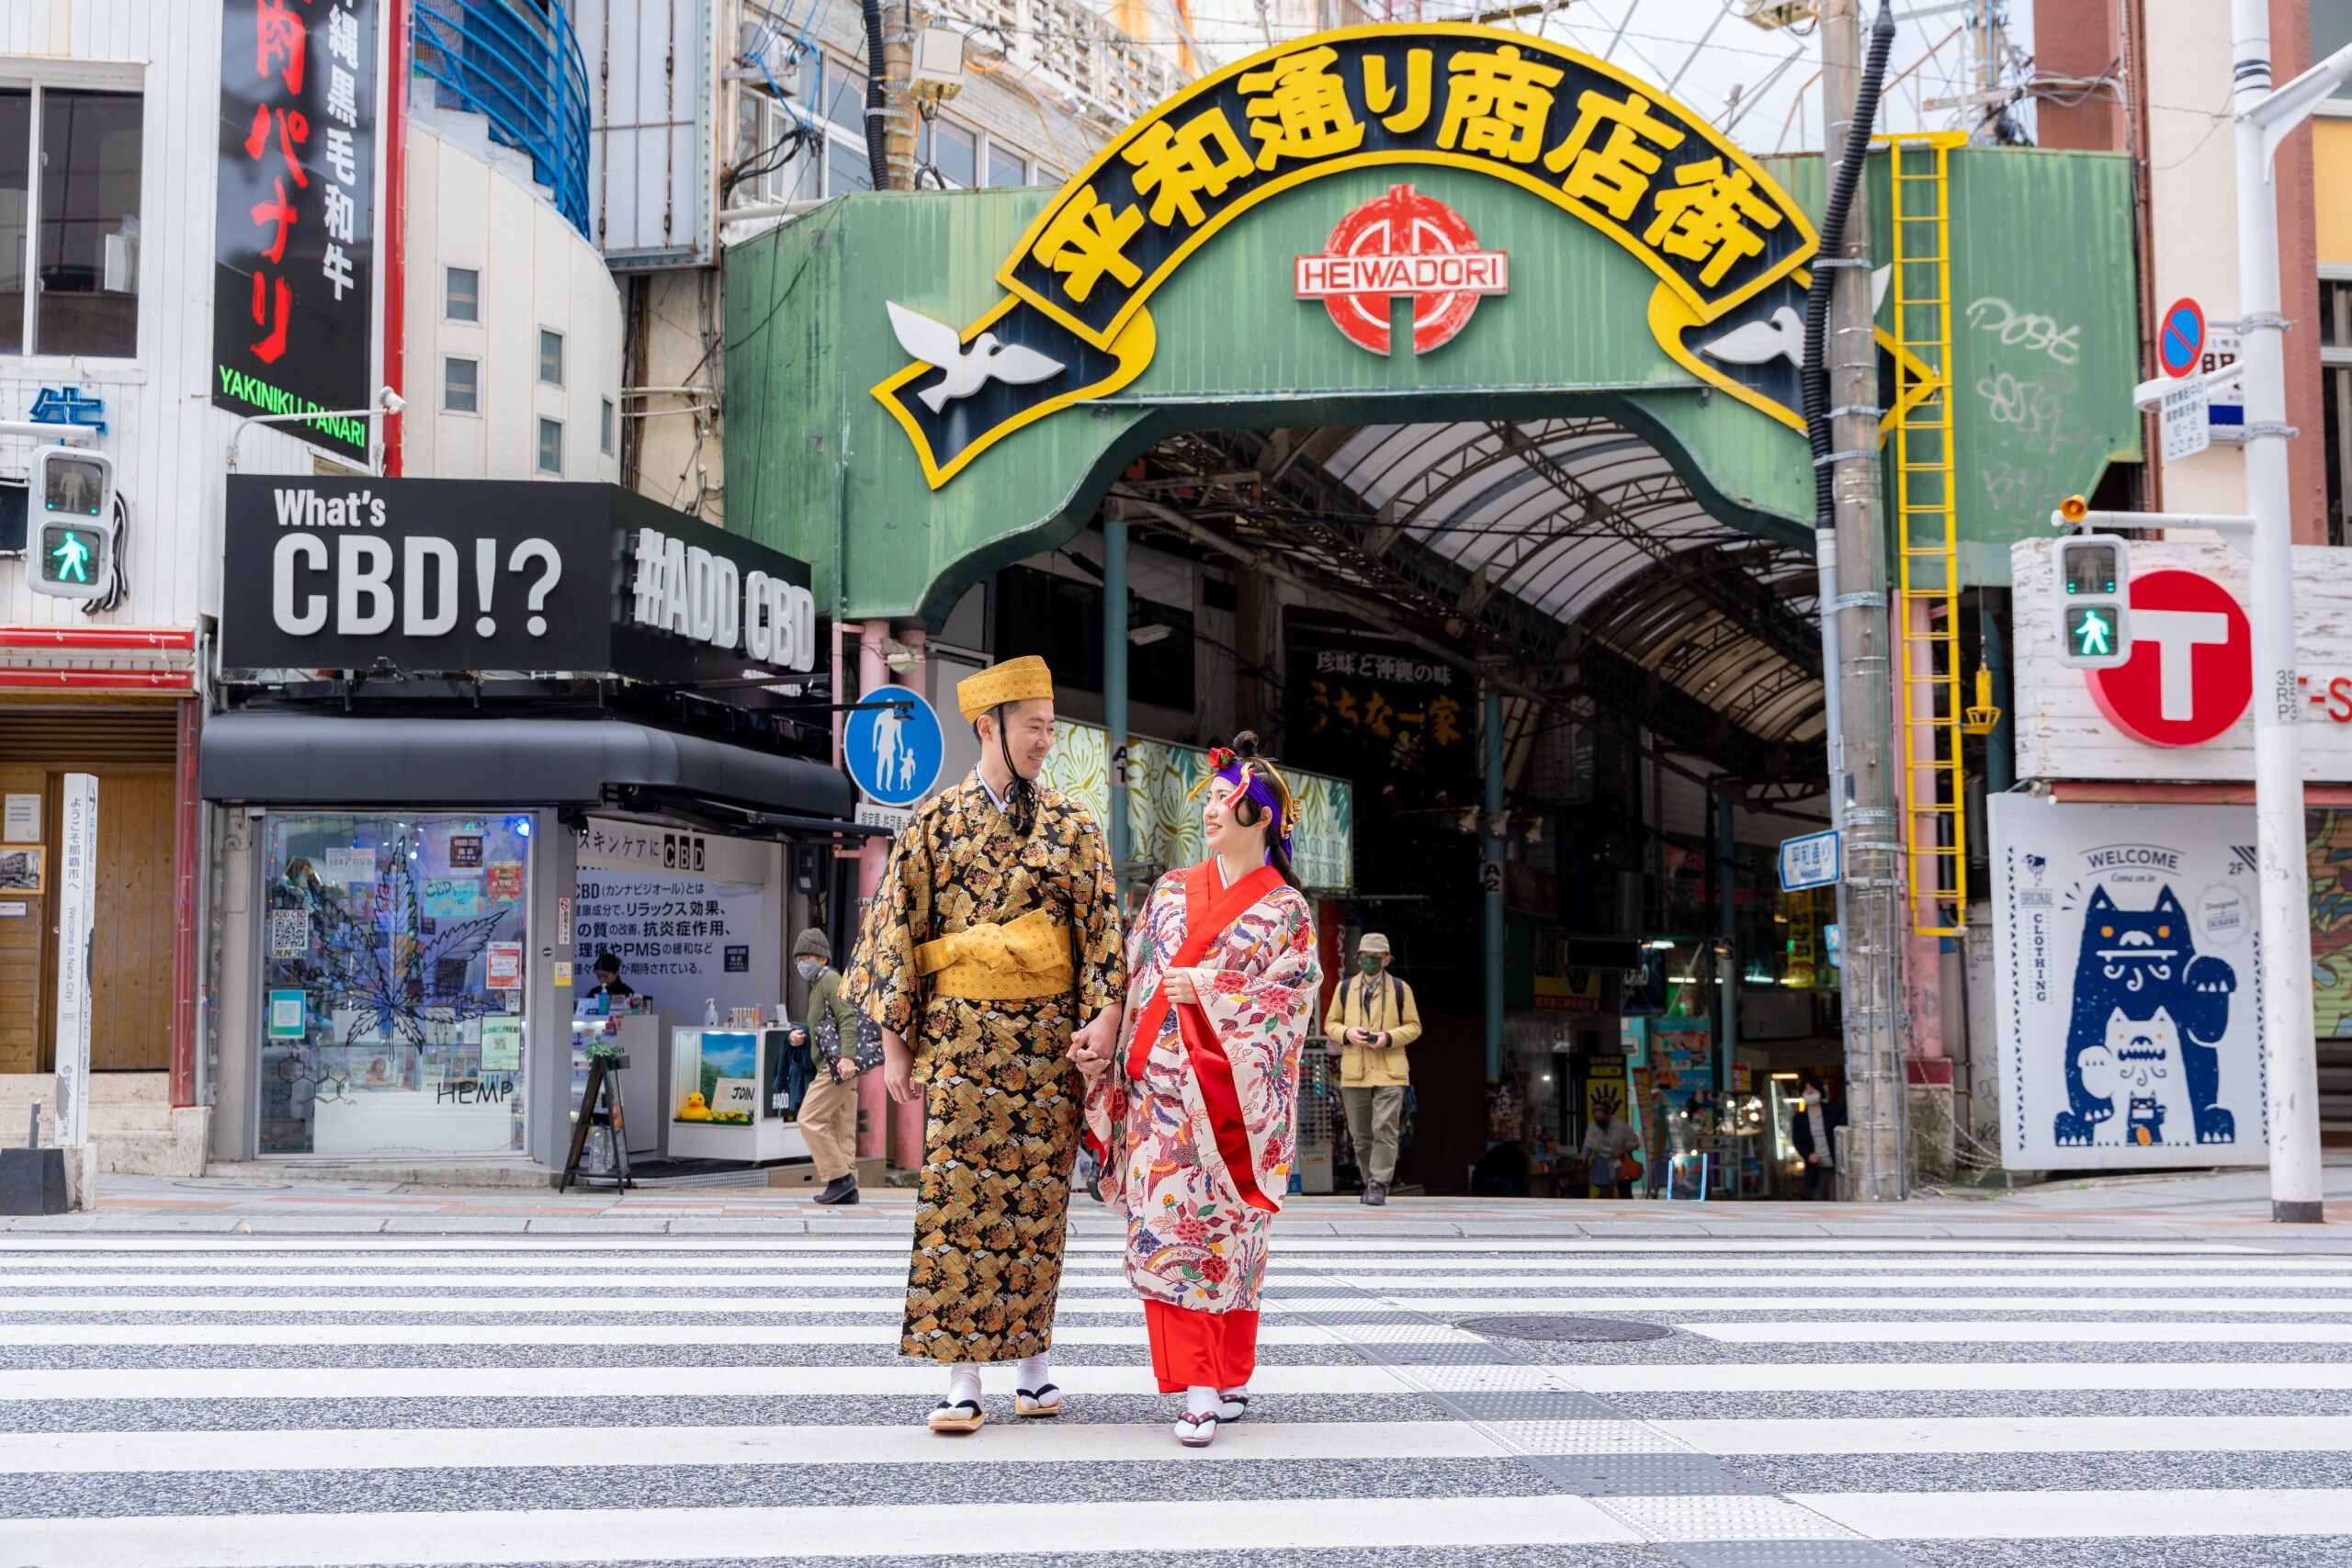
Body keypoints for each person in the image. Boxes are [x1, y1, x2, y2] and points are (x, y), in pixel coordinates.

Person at [842, 655, 1125, 1435]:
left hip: (1046, 1049)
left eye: (1049, 726)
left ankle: (1033, 1362)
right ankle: (960, 1376)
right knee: (957, 1205)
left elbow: (1103, 939)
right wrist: (896, 1046)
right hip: (964, 1045)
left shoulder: (1074, 827)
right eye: (1033, 726)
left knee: (1038, 1204)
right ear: (987, 725)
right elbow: (896, 935)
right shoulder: (932, 826)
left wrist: (1104, 1022)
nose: (1045, 740)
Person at [1080, 733, 1318, 1449]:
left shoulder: (1287, 912)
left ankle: (1224, 1374)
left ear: (1261, 816)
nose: (1211, 811)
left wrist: (1210, 989)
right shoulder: (1170, 891)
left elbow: (1291, 1004)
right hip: (1159, 1099)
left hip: (1231, 1108)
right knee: (1170, 1240)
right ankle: (1199, 1383)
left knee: (1230, 1238)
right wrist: (1105, 1034)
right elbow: (1130, 973)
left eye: (1224, 800)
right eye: (1210, 799)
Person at [1324, 931, 1420, 1205]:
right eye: (1365, 957)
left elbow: (1414, 1027)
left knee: (1385, 1128)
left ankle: (1379, 1183)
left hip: (1390, 1070)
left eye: (1375, 958)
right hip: (1355, 1071)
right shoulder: (1345, 989)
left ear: (1386, 960)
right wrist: (1347, 1033)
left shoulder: (1401, 989)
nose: (1369, 962)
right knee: (1360, 1134)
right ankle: (1370, 1182)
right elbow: (1331, 1023)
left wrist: (1388, 1037)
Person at [792, 927, 864, 1205]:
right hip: (842, 1065)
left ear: (822, 958)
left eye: (807, 957)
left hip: (836, 1066)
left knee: (808, 1118)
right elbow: (827, 1025)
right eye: (798, 959)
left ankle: (839, 1178)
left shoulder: (830, 980)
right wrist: (801, 1036)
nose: (801, 963)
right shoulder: (820, 984)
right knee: (841, 1127)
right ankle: (849, 1187)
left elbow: (847, 1016)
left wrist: (847, 1057)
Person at [1790, 1075, 1846, 1201]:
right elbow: (1797, 1141)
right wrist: (1808, 1155)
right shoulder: (1799, 1118)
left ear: (1820, 1091)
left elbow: (1844, 1133)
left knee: (1836, 1201)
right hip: (1816, 1170)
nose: (1809, 1092)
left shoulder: (1834, 1110)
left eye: (1813, 1089)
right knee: (1819, 1202)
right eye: (1806, 1089)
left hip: (1836, 1167)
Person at [1580, 1100, 1641, 1199]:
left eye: (1601, 1117)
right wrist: (1583, 1156)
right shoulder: (1593, 1127)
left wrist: (1622, 1151)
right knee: (1605, 1193)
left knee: (1625, 1192)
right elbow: (1588, 1143)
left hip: (1621, 1162)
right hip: (1602, 1161)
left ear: (1608, 1115)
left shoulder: (1621, 1126)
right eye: (1596, 1118)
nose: (1599, 1120)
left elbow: (1634, 1142)